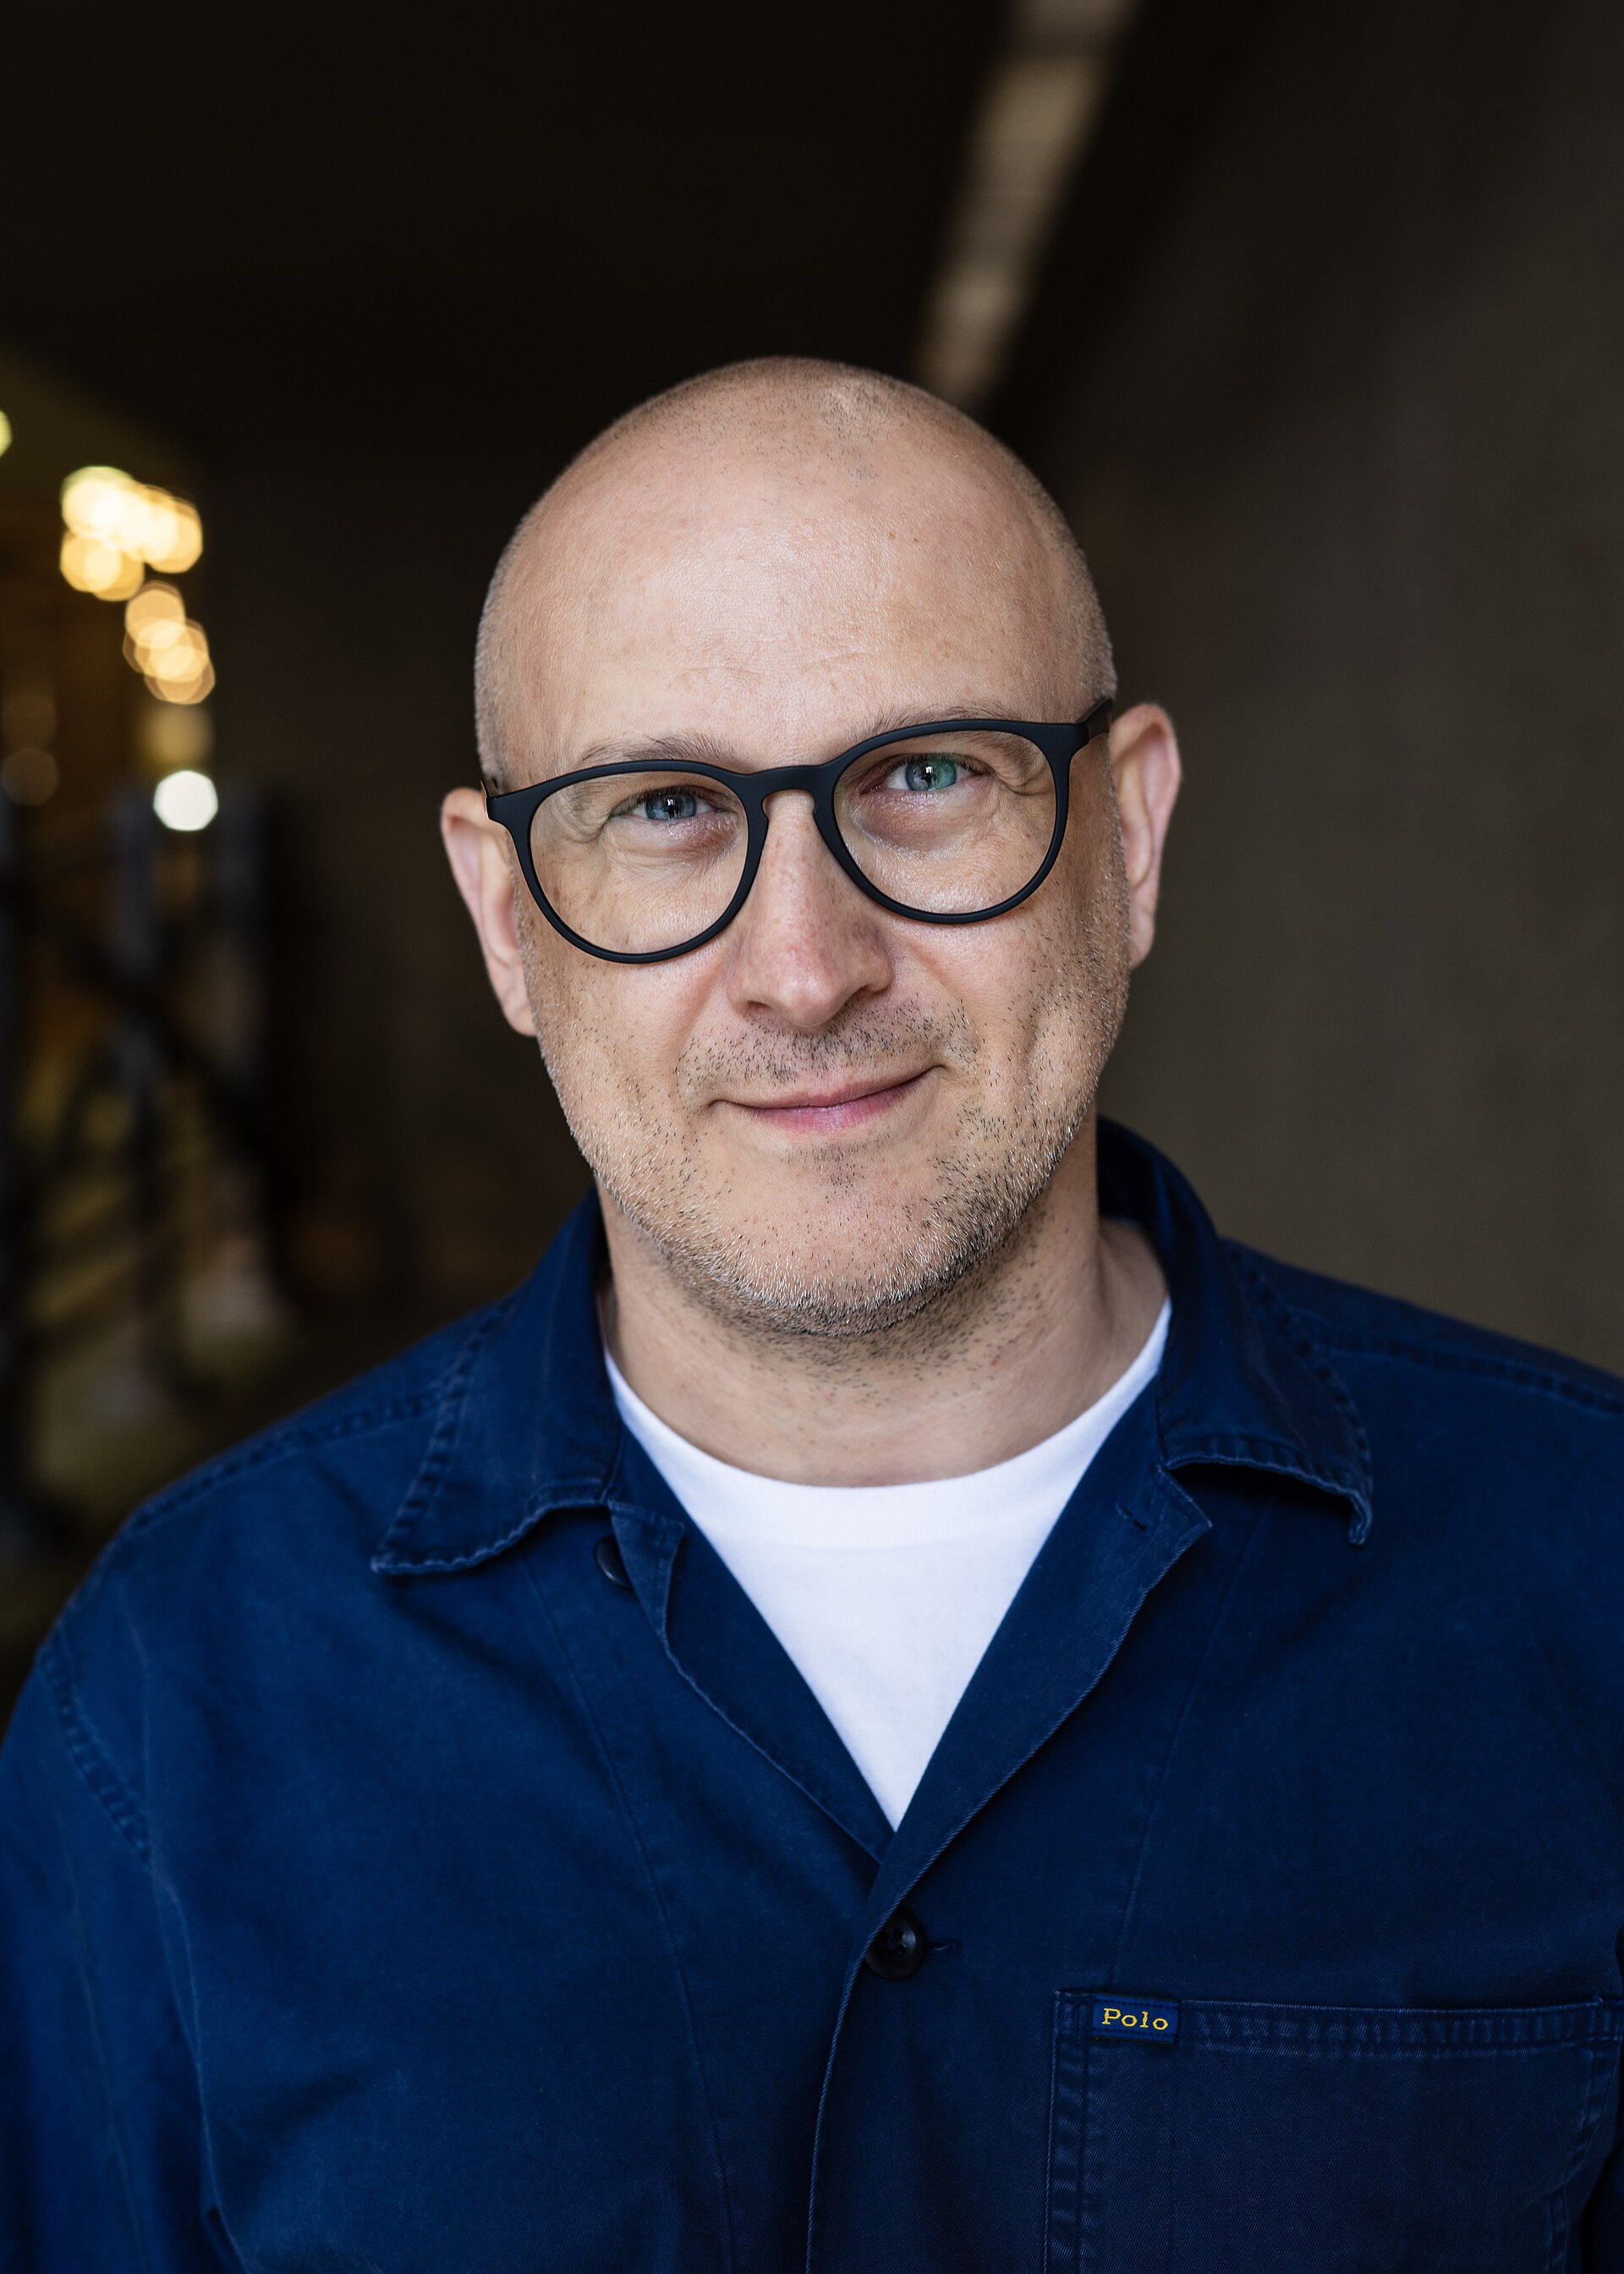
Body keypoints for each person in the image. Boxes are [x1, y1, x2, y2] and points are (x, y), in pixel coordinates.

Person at [3, 359, 1621, 2273]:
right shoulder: (179, 1706)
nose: (803, 967)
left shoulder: (1584, 1579)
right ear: (507, 919)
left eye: (923, 776)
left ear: (1132, 837)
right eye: (666, 808)